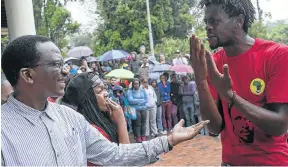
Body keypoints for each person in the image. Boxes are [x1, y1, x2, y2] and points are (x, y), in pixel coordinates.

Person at [1, 35, 209, 166]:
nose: (65, 71)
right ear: (28, 75)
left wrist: (168, 140)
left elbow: (114, 155)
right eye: (55, 64)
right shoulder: (4, 132)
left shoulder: (71, 119)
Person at [190, 0, 288, 166]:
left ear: (239, 21)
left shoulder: (276, 55)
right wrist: (201, 80)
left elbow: (280, 126)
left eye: (214, 21)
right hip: (230, 163)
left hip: (272, 162)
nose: (208, 27)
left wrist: (231, 97)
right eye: (207, 22)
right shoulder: (213, 63)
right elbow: (214, 127)